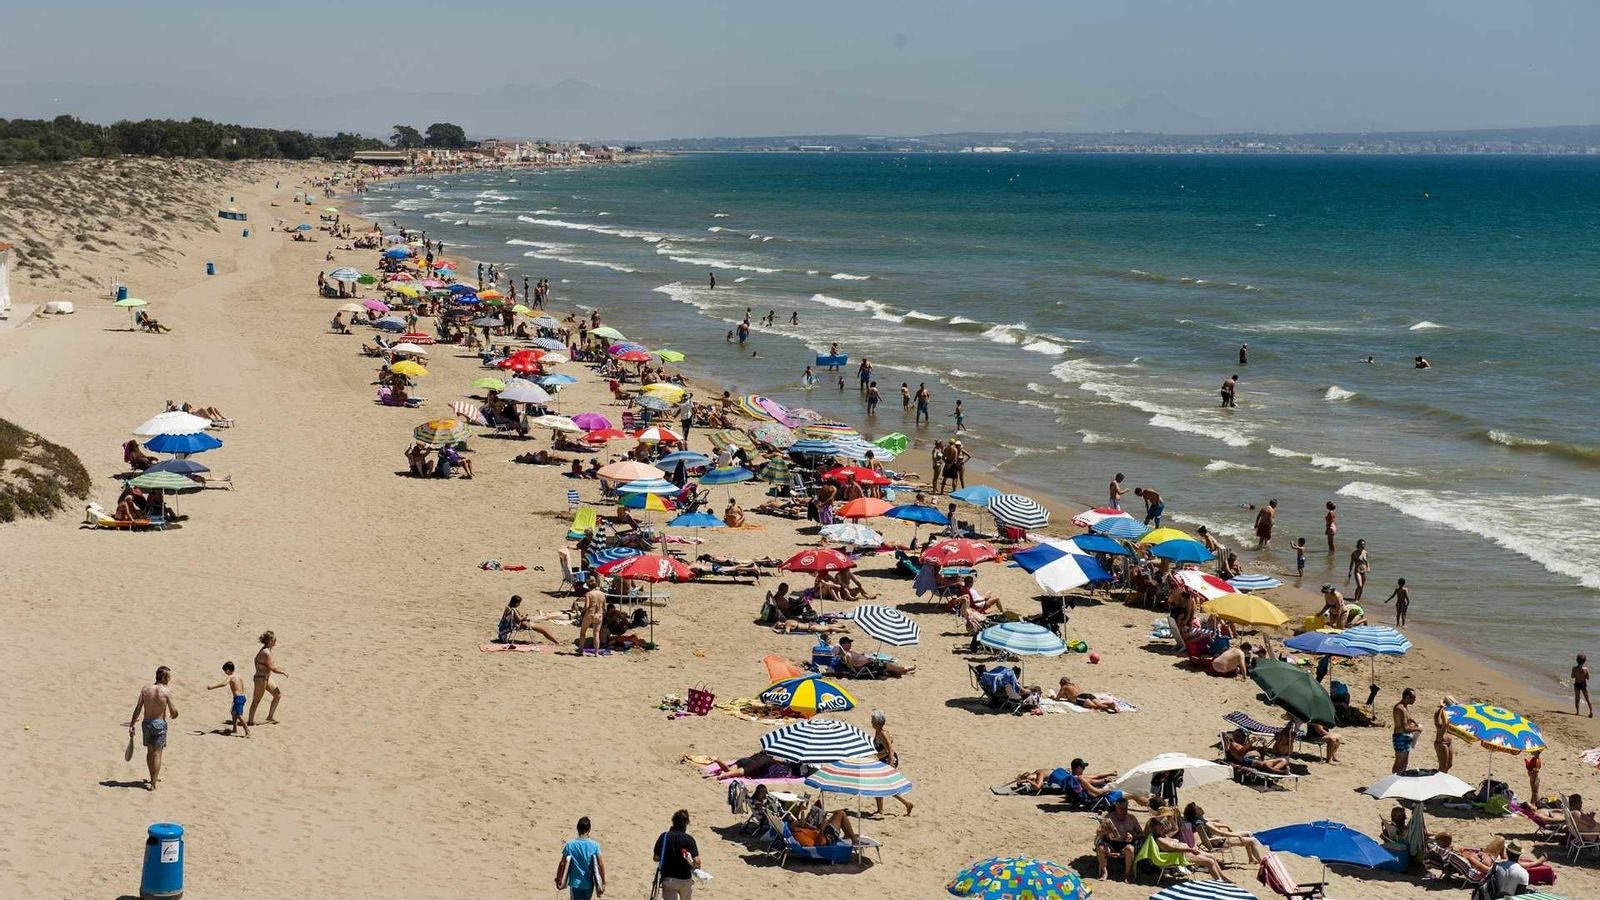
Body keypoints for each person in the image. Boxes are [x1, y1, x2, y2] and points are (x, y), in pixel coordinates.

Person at [128, 666, 178, 790]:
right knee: (157, 754)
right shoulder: (167, 692)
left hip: (147, 724)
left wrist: (132, 724)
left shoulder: (145, 690)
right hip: (160, 723)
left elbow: (138, 708)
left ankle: (152, 778)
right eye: (168, 677)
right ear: (163, 677)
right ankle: (153, 783)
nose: (170, 679)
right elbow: (173, 711)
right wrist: (175, 714)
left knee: (150, 753)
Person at [869, 711, 914, 816]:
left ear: (878, 723)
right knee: (879, 786)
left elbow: (890, 748)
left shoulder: (883, 733)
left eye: (873, 721)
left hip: (888, 761)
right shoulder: (879, 732)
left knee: (882, 786)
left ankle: (907, 804)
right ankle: (881, 809)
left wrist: (890, 763)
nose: (871, 723)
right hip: (883, 760)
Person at [652, 809, 700, 900]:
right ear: (685, 824)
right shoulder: (689, 839)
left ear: (673, 822)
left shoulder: (664, 836)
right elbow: (697, 862)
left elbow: (656, 857)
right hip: (685, 879)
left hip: (669, 879)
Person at [556, 816, 605, 899]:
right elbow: (600, 865)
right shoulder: (595, 846)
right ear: (589, 830)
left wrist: (558, 878)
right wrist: (603, 882)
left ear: (577, 828)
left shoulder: (570, 845)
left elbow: (562, 863)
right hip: (588, 884)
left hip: (575, 884)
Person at [1096, 795, 1143, 880]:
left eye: (1125, 808)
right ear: (1116, 807)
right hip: (1110, 843)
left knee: (1130, 849)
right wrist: (1104, 831)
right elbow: (1098, 832)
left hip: (1125, 843)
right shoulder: (1109, 816)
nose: (1123, 810)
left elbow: (1142, 834)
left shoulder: (1131, 818)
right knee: (1100, 848)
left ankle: (1127, 874)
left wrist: (1133, 836)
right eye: (1121, 808)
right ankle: (1104, 871)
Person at [248, 631, 284, 726]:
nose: (276, 641)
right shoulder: (266, 652)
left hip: (267, 677)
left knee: (278, 695)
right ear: (270, 641)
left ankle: (270, 716)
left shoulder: (267, 650)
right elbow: (273, 668)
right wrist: (283, 672)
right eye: (274, 639)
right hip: (260, 678)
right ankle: (250, 721)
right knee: (256, 700)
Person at [206, 661, 250, 737]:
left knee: (239, 715)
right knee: (233, 712)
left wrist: (212, 687)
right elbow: (242, 686)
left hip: (238, 698)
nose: (225, 673)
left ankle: (247, 731)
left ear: (228, 670)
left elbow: (223, 684)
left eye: (225, 671)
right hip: (242, 697)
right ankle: (234, 728)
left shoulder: (230, 677)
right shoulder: (239, 676)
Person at [498, 595, 564, 645]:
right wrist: (524, 617)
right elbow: (519, 619)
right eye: (519, 603)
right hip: (521, 624)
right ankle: (556, 642)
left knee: (541, 628)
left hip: (516, 624)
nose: (519, 604)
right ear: (516, 603)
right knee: (543, 630)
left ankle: (556, 641)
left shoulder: (508, 608)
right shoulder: (513, 610)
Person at [837, 636, 915, 676]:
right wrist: (867, 660)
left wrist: (861, 655)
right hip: (866, 668)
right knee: (887, 665)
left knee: (887, 666)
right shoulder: (847, 654)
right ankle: (905, 669)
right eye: (849, 643)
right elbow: (855, 665)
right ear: (844, 645)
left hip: (867, 665)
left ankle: (903, 671)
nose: (850, 644)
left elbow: (855, 661)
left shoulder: (847, 652)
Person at [1392, 688, 1421, 773]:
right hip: (1400, 737)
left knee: (1404, 763)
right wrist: (1418, 729)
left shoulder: (1404, 707)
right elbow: (1406, 728)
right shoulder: (1401, 709)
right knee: (1399, 763)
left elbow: (1405, 720)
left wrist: (1412, 720)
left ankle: (1400, 780)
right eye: (1413, 698)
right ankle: (1395, 779)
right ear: (1408, 697)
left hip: (1404, 737)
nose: (1414, 700)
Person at [1051, 676, 1118, 712]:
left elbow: (1057, 699)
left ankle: (1110, 707)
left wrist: (1052, 698)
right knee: (1099, 704)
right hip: (1087, 695)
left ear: (1061, 683)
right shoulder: (1074, 685)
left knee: (1094, 706)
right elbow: (1070, 694)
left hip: (1080, 698)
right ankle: (1110, 704)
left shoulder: (1064, 687)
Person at [578, 585, 606, 655]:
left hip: (590, 614)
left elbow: (587, 606)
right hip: (599, 615)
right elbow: (604, 607)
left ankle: (581, 650)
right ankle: (596, 653)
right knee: (596, 634)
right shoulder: (602, 594)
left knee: (583, 632)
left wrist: (582, 610)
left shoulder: (588, 594)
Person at [1432, 695, 1456, 773]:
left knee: (1449, 764)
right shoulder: (1438, 714)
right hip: (1441, 742)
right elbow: (1441, 729)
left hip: (1449, 742)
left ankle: (1442, 779)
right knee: (1443, 766)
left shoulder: (1449, 714)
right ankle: (1438, 781)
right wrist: (1441, 709)